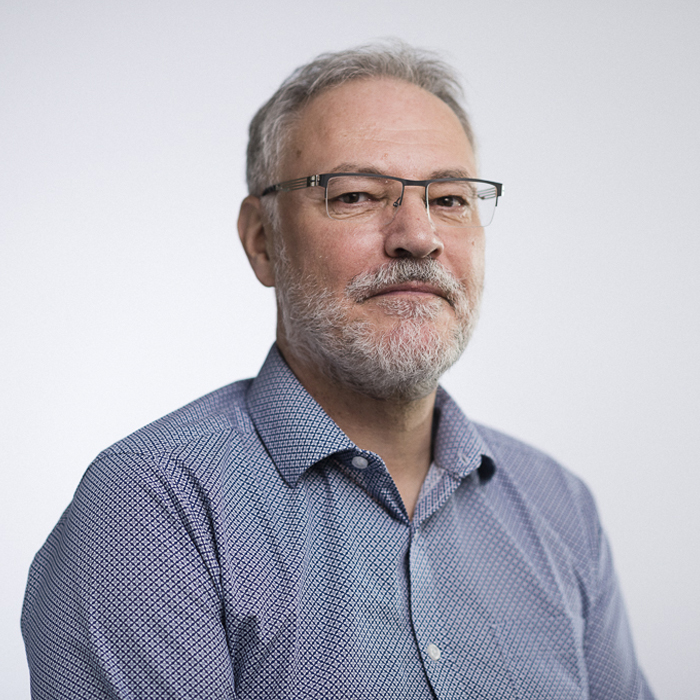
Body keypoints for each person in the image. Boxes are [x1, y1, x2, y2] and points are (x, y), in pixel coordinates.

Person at [22, 42, 655, 699]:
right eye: (355, 195)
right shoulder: (149, 509)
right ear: (263, 240)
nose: (419, 236)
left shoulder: (560, 506)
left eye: (450, 199)